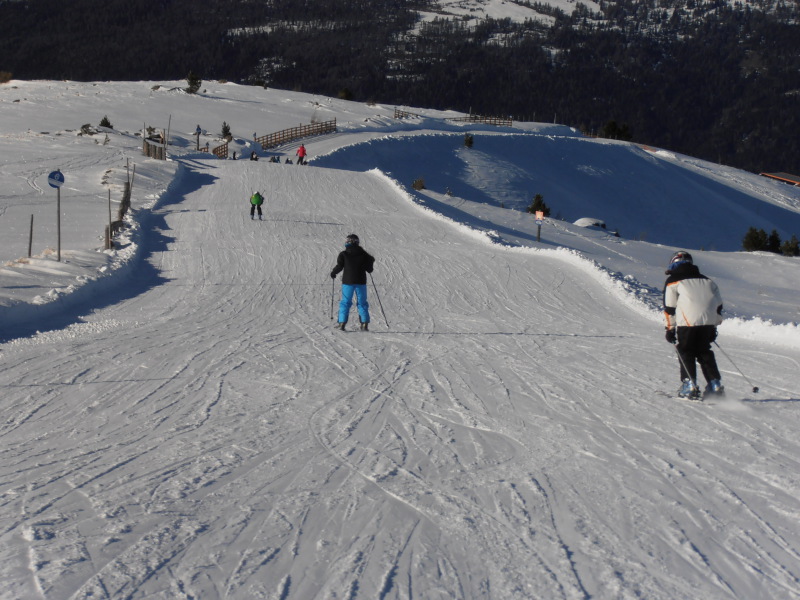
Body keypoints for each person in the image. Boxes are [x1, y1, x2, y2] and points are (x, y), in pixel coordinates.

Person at [663, 251, 724, 398]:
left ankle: (689, 385)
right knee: (704, 351)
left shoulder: (673, 281)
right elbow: (718, 305)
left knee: (686, 350)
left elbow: (670, 308)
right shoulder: (708, 281)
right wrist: (713, 326)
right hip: (708, 322)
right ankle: (714, 384)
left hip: (687, 322)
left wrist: (670, 329)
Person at [330, 234, 374, 330]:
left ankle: (342, 323)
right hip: (361, 282)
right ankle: (364, 324)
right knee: (362, 303)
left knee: (345, 302)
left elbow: (339, 266)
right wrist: (370, 263)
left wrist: (333, 273)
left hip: (348, 282)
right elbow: (370, 268)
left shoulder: (344, 254)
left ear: (348, 242)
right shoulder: (363, 254)